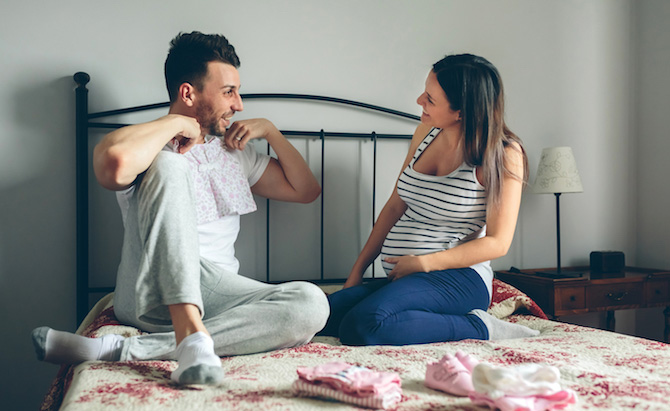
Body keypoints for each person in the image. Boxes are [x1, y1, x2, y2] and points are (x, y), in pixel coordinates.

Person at [32, 31, 330, 385]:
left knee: (313, 303)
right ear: (188, 92)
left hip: (217, 292)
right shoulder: (144, 144)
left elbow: (306, 190)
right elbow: (112, 164)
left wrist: (273, 134)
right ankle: (187, 334)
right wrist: (175, 123)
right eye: (228, 92)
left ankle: (121, 350)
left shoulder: (235, 154)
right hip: (147, 291)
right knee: (169, 164)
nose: (239, 104)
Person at [320, 54, 539, 345]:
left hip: (459, 279)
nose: (419, 100)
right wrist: (356, 273)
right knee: (320, 315)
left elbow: (498, 242)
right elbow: (395, 205)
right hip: (410, 280)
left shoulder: (502, 154)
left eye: (431, 99)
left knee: (364, 326)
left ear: (462, 111)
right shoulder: (426, 132)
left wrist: (424, 263)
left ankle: (480, 327)